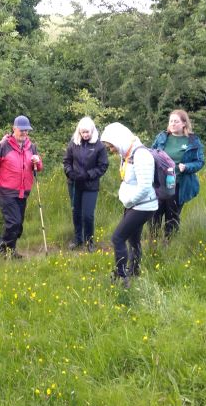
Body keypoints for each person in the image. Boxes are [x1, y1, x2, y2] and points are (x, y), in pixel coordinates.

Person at [100, 123, 158, 288]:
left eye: (111, 146)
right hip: (135, 204)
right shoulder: (127, 154)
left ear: (118, 140)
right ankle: (134, 271)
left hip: (143, 206)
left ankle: (122, 276)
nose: (111, 150)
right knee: (134, 239)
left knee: (117, 238)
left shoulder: (141, 155)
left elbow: (145, 187)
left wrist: (129, 201)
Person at [0, 115, 43, 259]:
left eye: (26, 130)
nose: (24, 133)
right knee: (14, 222)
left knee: (18, 225)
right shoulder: (3, 145)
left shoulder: (31, 146)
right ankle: (4, 250)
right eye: (21, 130)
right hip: (6, 191)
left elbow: (38, 168)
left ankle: (9, 249)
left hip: (24, 191)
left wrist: (37, 161)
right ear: (14, 129)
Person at [151, 109, 205, 241]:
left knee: (172, 216)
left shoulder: (192, 140)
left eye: (176, 121)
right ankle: (153, 242)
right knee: (154, 214)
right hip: (158, 183)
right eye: (171, 121)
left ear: (184, 124)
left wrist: (186, 167)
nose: (173, 124)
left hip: (178, 185)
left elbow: (199, 162)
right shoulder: (162, 137)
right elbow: (150, 154)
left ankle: (169, 244)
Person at [63, 116, 109, 252]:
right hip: (74, 183)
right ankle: (78, 239)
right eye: (82, 132)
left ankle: (90, 241)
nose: (85, 135)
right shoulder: (73, 144)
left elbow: (103, 166)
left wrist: (89, 174)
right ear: (79, 131)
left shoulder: (99, 146)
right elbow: (66, 161)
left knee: (87, 215)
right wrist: (70, 173)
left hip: (90, 185)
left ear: (92, 131)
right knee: (76, 212)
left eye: (87, 132)